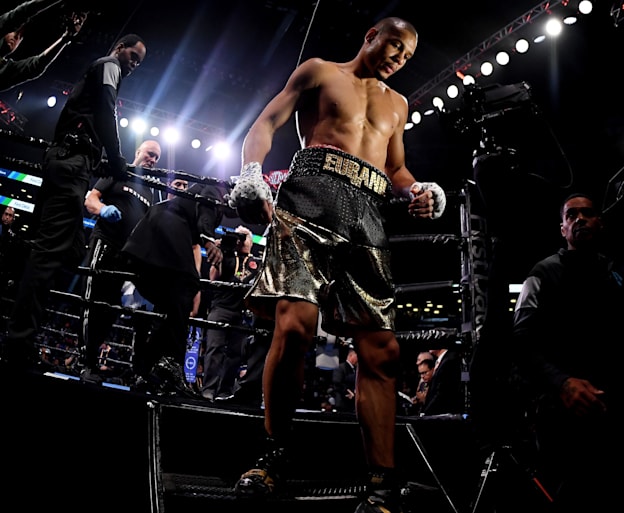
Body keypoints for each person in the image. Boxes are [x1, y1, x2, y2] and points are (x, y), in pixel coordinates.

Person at [228, 17, 446, 513]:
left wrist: (419, 190)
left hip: (369, 215)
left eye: (407, 55)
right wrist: (250, 173)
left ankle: (381, 482)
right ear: (371, 35)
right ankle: (273, 457)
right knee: (294, 326)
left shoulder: (398, 104)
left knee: (381, 349)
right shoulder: (320, 71)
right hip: (310, 196)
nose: (398, 58)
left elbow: (395, 168)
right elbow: (266, 122)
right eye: (394, 45)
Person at [0, 33, 146, 369]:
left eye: (139, 62)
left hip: (69, 163)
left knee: (68, 247)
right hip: (71, 164)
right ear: (119, 48)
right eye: (133, 56)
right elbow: (106, 109)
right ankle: (19, 344)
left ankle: (17, 298)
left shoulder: (105, 70)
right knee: (49, 253)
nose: (134, 65)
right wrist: (116, 158)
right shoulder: (109, 65)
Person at [510, 192, 624, 512]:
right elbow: (521, 341)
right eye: (571, 215)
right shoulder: (542, 274)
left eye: (588, 213)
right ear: (562, 228)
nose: (580, 219)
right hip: (564, 419)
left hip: (616, 417)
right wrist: (561, 383)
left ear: (600, 223)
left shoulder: (614, 274)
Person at [119, 179, 223, 396]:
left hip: (151, 242)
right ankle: (172, 365)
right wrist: (209, 241)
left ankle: (145, 370)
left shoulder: (197, 201)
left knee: (170, 308)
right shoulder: (215, 189)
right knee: (186, 288)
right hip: (166, 230)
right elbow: (205, 212)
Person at [79, 139, 162, 383]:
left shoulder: (150, 191)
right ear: (138, 152)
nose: (152, 160)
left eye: (157, 157)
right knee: (93, 304)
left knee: (111, 311)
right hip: (106, 244)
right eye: (150, 154)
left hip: (129, 257)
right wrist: (103, 209)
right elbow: (91, 199)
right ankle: (86, 364)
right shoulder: (119, 172)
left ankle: (111, 367)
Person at [200, 225, 260, 402]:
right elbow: (213, 279)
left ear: (251, 242)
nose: (241, 241)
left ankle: (225, 391)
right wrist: (220, 252)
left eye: (245, 237)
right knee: (214, 349)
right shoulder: (226, 256)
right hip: (221, 308)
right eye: (238, 237)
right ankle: (208, 389)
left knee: (235, 354)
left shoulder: (256, 263)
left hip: (241, 314)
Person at [0, 1, 87, 92]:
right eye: (15, 31)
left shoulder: (4, 71)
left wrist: (65, 38)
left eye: (20, 37)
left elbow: (36, 66)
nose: (16, 36)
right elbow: (21, 12)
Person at [420, 347, 463, 417]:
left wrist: (426, 414)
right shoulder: (442, 360)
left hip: (443, 415)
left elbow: (443, 392)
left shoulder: (450, 360)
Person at [332, 345, 358, 413]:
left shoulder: (355, 369)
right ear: (351, 355)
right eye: (357, 356)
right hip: (342, 403)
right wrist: (347, 392)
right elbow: (337, 383)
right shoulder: (340, 367)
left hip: (352, 404)